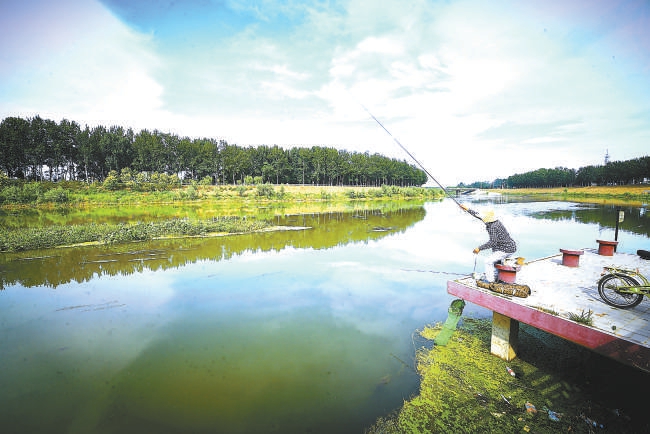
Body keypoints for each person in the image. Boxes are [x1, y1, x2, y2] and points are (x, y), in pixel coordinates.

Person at [460, 205, 517, 283]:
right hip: (511, 247)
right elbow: (478, 215)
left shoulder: (492, 227)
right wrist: (467, 209)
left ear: (486, 219)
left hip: (505, 249)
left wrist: (479, 248)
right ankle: (497, 277)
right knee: (496, 261)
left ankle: (490, 281)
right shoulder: (495, 221)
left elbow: (493, 242)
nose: (482, 219)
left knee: (488, 261)